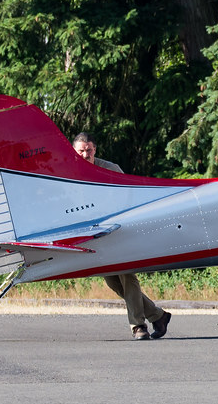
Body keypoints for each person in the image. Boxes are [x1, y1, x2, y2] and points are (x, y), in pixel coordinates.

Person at [72, 132, 172, 340]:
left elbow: (128, 196)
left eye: (88, 150)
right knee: (113, 282)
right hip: (94, 234)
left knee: (126, 275)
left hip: (118, 229)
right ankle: (158, 316)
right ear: (74, 151)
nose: (85, 155)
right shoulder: (68, 172)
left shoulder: (110, 169)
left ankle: (138, 326)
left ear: (95, 149)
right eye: (81, 151)